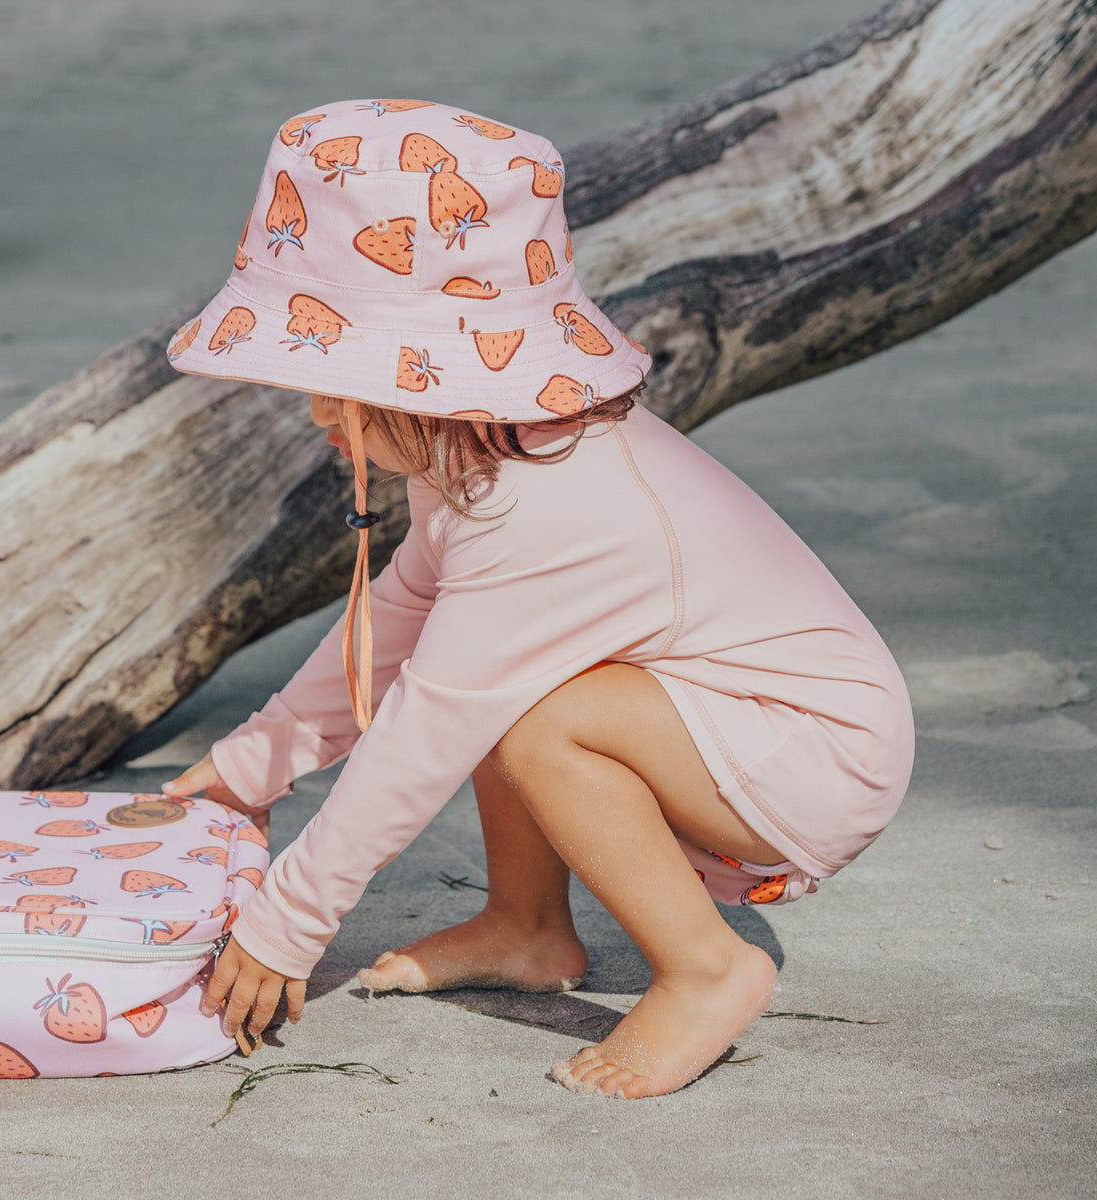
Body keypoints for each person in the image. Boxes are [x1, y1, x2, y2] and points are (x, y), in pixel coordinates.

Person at [160, 98, 915, 1099]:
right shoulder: (483, 450)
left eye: (336, 382)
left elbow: (427, 724)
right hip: (724, 717)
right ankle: (526, 926)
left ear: (420, 382)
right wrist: (248, 767)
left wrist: (290, 919)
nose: (314, 414)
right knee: (503, 681)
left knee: (534, 714)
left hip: (814, 748)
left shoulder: (547, 509)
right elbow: (394, 623)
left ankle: (707, 968)